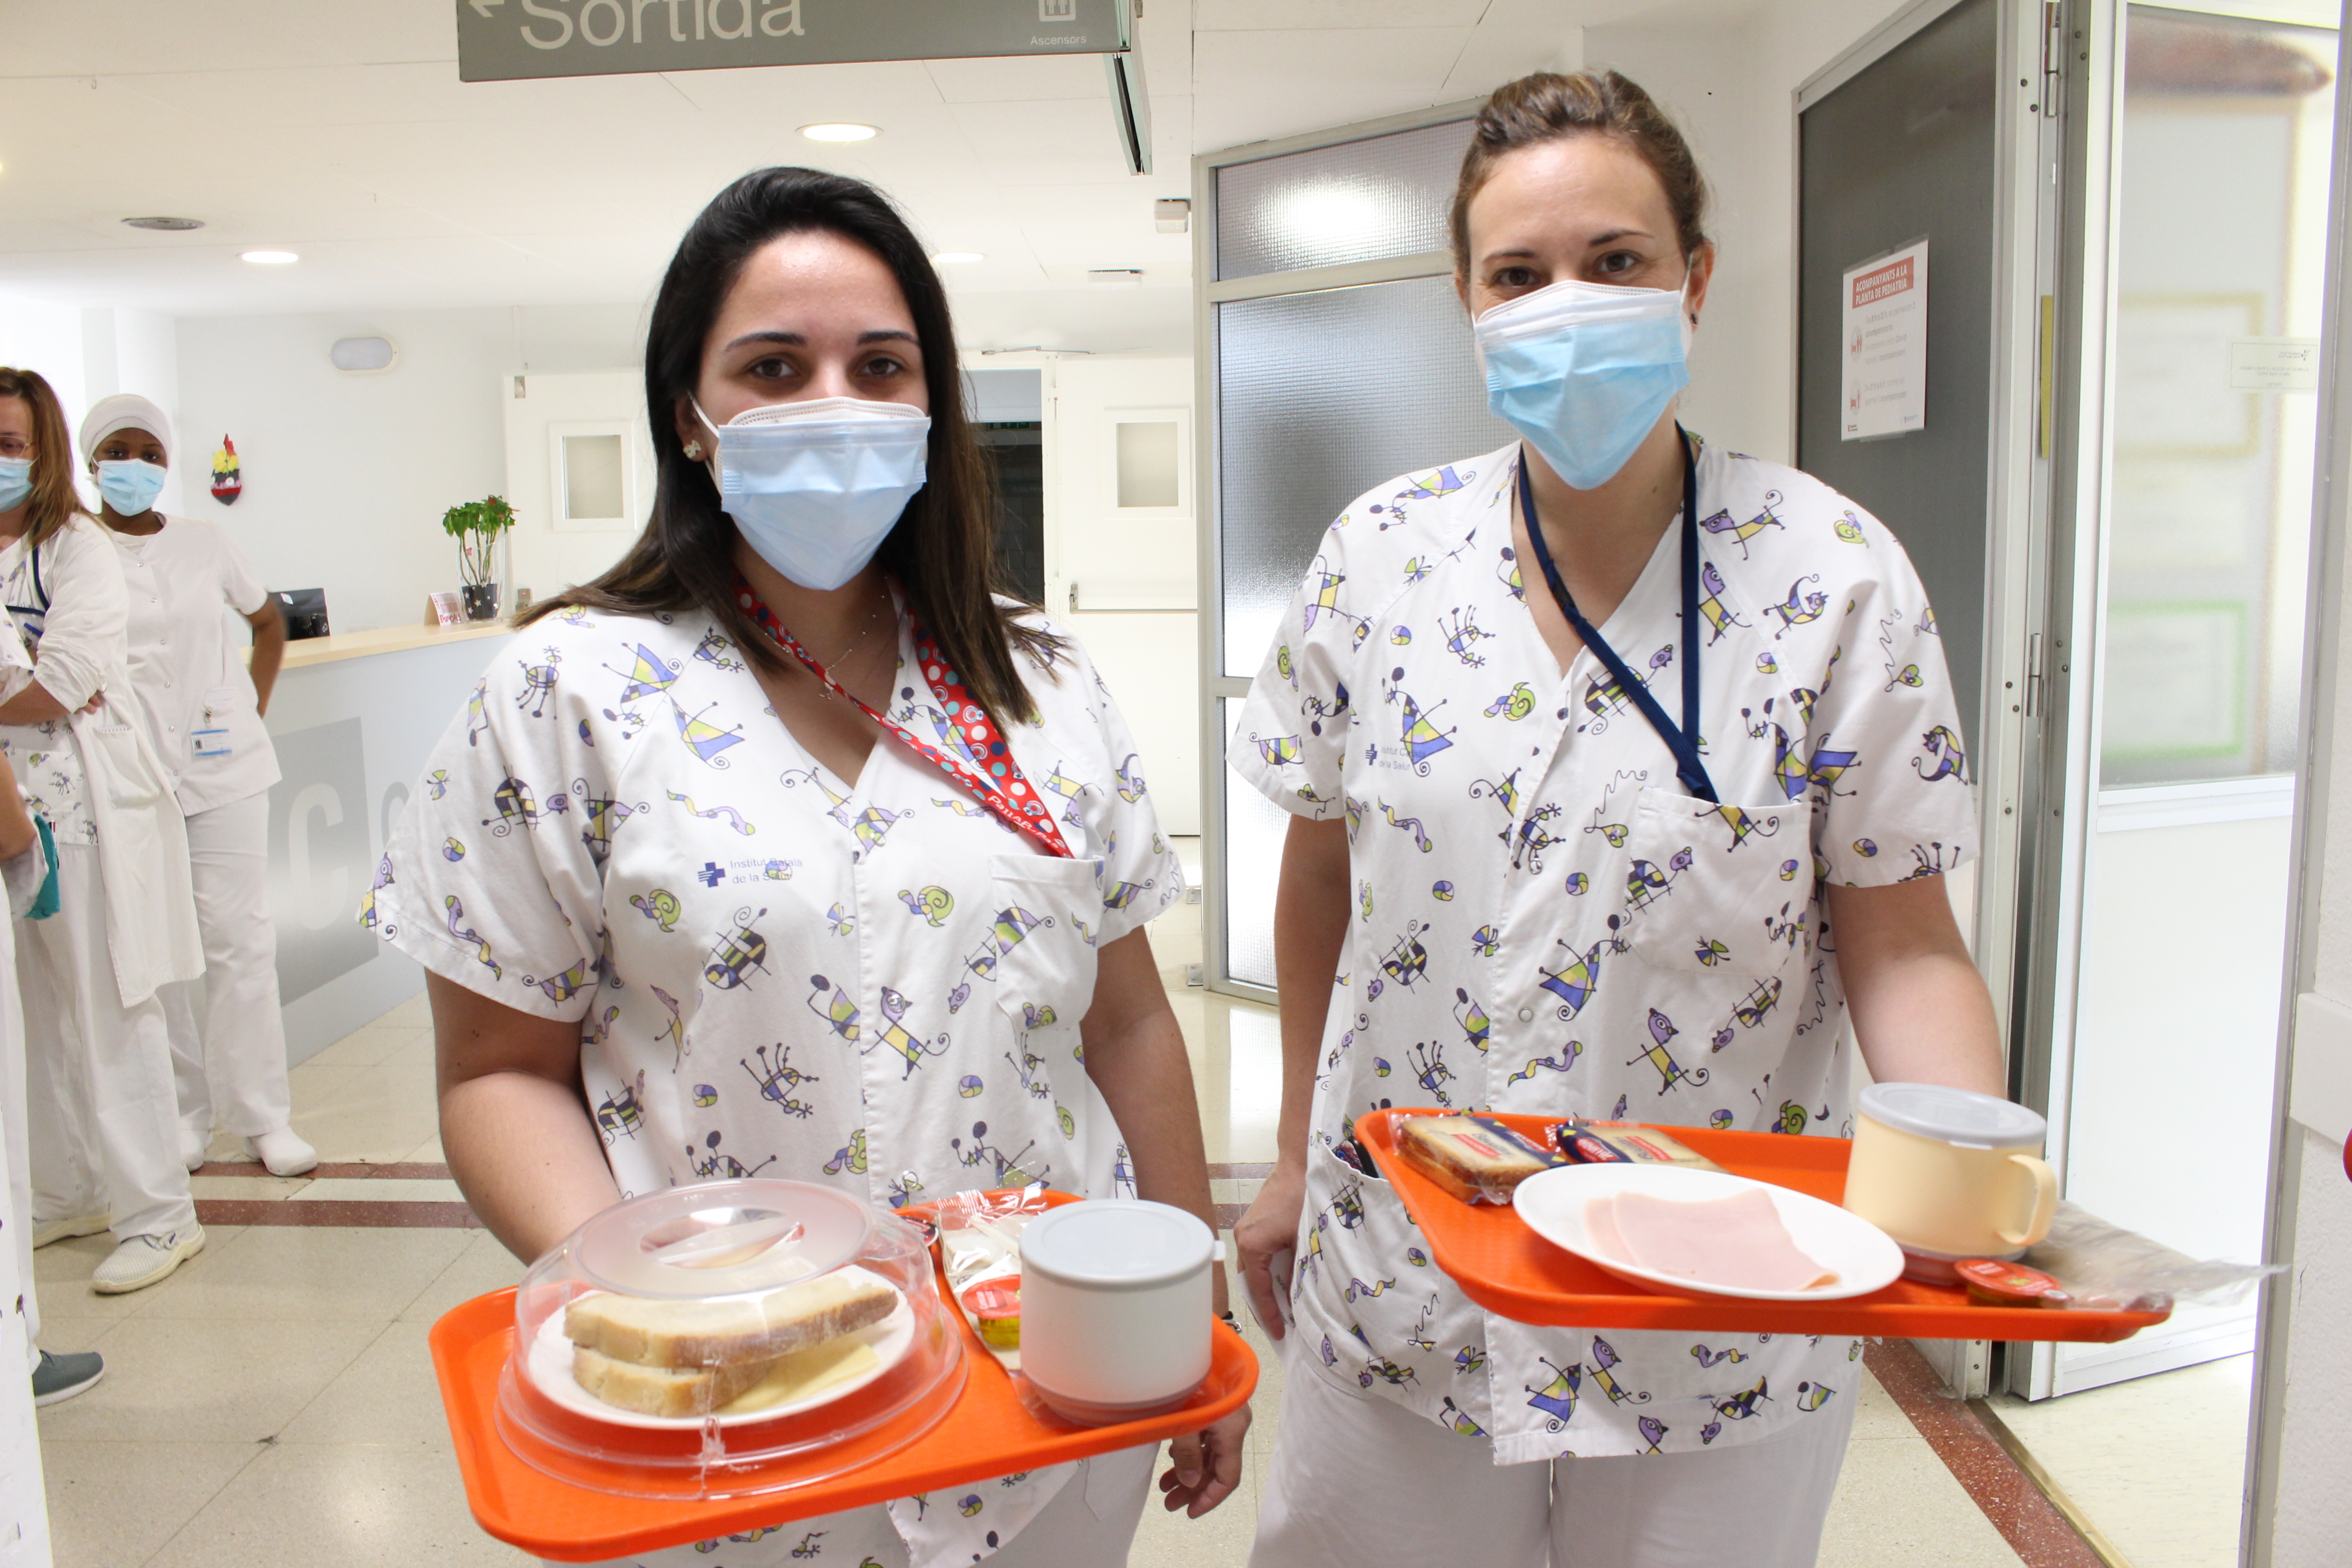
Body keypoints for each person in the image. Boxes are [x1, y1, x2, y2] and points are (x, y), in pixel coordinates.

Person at [371, 167, 1247, 1568]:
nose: (832, 400)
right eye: (773, 367)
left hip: (1043, 1394)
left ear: (930, 407)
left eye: (879, 365)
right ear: (692, 421)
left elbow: (1130, 1021)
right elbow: (497, 1069)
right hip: (724, 1419)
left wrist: (1187, 1301)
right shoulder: (569, 690)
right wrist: (639, 1320)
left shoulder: (1042, 685)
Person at [1230, 71, 2004, 1567]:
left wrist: (1961, 1181)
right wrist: (1281, 1156)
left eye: (1616, 262)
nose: (1564, 303)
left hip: (1713, 1315)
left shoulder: (1830, 574)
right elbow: (1321, 880)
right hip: (1408, 1275)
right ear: (1464, 298)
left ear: (1694, 280)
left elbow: (1903, 939)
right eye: (1517, 274)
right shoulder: (1374, 559)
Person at [0, 366, 204, 1296]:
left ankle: (161, 1217)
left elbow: (63, 679)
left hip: (81, 804)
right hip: (12, 800)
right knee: (34, 1015)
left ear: (44, 453)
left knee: (111, 1004)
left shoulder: (76, 547)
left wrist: (32, 678)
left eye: (10, 446)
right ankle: (68, 1188)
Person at [78, 394, 312, 1179]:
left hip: (225, 769)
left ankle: (264, 1119)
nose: (135, 466)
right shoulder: (73, 548)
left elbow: (268, 620)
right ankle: (184, 1117)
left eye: (150, 452)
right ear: (90, 462)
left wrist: (252, 706)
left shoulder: (205, 541)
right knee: (162, 946)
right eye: (119, 450)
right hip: (128, 776)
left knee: (241, 942)